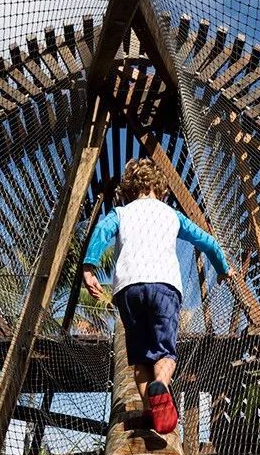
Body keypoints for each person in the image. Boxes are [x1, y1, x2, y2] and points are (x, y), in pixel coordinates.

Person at [82, 158, 230, 434]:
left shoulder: (121, 213)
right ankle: (160, 383)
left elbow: (101, 232)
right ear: (161, 190)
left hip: (128, 288)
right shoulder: (172, 214)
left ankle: (151, 413)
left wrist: (90, 267)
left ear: (128, 190)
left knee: (139, 359)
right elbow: (208, 241)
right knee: (165, 353)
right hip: (165, 287)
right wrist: (223, 268)